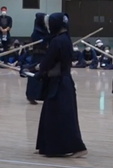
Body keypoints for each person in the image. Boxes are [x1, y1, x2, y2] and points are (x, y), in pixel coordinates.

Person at [35, 12, 87, 158]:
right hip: (61, 82)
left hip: (60, 84)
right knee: (50, 115)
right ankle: (46, 145)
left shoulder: (57, 42)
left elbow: (48, 62)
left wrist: (36, 70)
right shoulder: (65, 39)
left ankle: (78, 147)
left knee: (64, 117)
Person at [23, 13, 49, 105]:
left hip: (45, 56)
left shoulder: (46, 31)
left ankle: (42, 95)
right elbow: (40, 44)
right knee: (34, 76)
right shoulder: (36, 32)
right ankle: (31, 96)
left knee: (45, 76)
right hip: (38, 57)